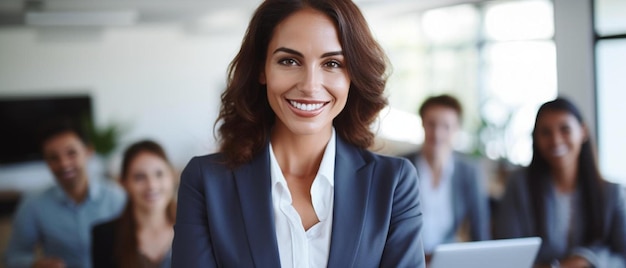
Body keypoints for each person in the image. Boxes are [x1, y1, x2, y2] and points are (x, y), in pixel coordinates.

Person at [171, 0, 425, 267]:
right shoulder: (206, 183)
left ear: (353, 74)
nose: (310, 85)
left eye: (332, 63)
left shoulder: (393, 183)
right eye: (289, 61)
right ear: (261, 69)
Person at [494, 98, 626, 267]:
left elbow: (623, 256)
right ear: (536, 138)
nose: (555, 140)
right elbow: (508, 254)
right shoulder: (519, 186)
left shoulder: (612, 193)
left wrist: (587, 260)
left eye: (565, 129)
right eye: (546, 132)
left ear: (583, 131)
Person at [4, 118, 126, 268]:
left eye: (71, 153)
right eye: (53, 157)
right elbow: (14, 256)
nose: (64, 164)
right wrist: (35, 264)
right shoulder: (33, 204)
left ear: (88, 151)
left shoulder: (117, 198)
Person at [403, 94, 491, 261]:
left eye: (446, 126)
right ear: (422, 123)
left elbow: (480, 229)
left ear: (457, 128)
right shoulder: (401, 166)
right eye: (431, 124)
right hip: (409, 259)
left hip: (449, 260)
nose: (437, 133)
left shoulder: (469, 172)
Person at [92, 140, 176, 268]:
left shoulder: (199, 231)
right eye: (140, 177)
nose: (152, 185)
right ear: (123, 183)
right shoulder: (104, 236)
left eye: (159, 174)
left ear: (172, 176)